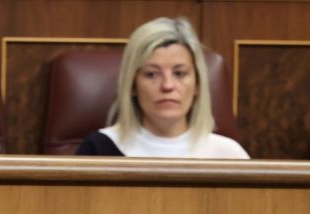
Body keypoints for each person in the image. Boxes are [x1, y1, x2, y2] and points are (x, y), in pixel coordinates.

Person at [75, 17, 248, 159]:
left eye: (179, 73)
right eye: (151, 74)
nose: (167, 85)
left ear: (197, 85)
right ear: (133, 85)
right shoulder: (98, 149)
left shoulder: (228, 154)